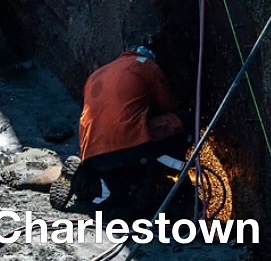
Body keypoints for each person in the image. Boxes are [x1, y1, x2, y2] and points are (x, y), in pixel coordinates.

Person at [75, 45, 187, 209]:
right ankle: (178, 172)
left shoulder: (96, 74)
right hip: (131, 149)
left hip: (92, 156)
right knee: (180, 120)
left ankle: (89, 181)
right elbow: (166, 105)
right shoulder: (146, 64)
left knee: (122, 199)